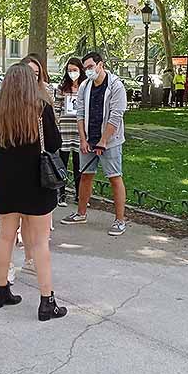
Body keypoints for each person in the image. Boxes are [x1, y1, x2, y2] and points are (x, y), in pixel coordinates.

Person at [0, 64, 67, 321]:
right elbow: (55, 143)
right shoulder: (40, 110)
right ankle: (47, 300)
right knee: (40, 242)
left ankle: (1, 289)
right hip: (36, 183)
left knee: (4, 238)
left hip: (6, 183)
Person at [60, 51, 128, 236]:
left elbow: (116, 115)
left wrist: (104, 141)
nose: (88, 71)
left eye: (91, 67)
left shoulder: (116, 86)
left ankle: (120, 220)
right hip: (89, 140)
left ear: (101, 64)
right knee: (85, 175)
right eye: (86, 68)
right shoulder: (84, 86)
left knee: (115, 177)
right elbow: (80, 113)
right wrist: (83, 139)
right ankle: (81, 213)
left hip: (110, 141)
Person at [55, 57, 86, 207]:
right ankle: (61, 193)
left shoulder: (86, 87)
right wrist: (57, 122)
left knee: (79, 163)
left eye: (75, 70)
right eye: (69, 70)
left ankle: (79, 195)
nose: (72, 73)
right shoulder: (62, 87)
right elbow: (57, 107)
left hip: (80, 130)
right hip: (65, 129)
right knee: (62, 162)